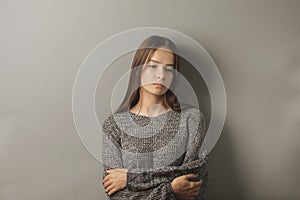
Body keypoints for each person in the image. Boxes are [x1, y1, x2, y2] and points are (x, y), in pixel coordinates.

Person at [101, 35, 209, 200]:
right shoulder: (114, 125)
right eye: (153, 66)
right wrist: (171, 190)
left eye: (168, 69)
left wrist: (130, 179)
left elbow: (194, 185)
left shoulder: (191, 119)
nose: (161, 75)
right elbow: (117, 195)